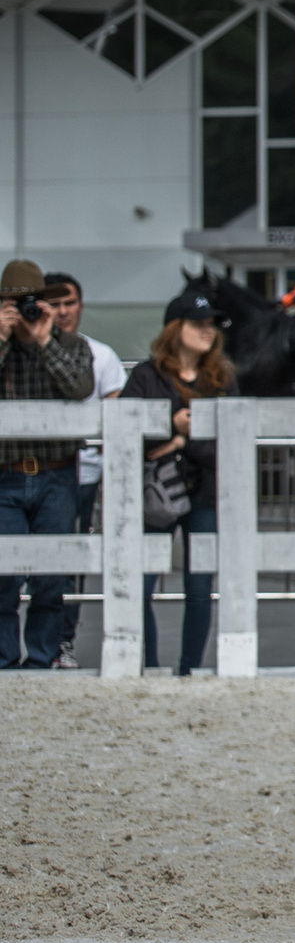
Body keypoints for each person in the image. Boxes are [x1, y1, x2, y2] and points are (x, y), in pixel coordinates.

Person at [125, 291, 231, 676]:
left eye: (211, 324)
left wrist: (181, 440)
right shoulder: (145, 376)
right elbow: (126, 433)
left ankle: (190, 669)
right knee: (140, 583)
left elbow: (229, 441)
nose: (208, 331)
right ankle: (148, 666)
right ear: (176, 328)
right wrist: (172, 427)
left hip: (203, 492)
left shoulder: (221, 378)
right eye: (198, 323)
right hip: (156, 492)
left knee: (200, 587)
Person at [0, 260, 94, 669]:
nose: (26, 312)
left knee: (52, 576)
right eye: (16, 304)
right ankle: (3, 661)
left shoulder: (72, 345)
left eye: (31, 303)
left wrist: (44, 341)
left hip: (57, 473)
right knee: (2, 577)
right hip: (5, 474)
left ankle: (41, 661)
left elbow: (79, 388)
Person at [45, 271, 126, 668]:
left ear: (80, 305)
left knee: (70, 564)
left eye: (69, 303)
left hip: (85, 475)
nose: (62, 312)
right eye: (54, 304)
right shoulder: (26, 348)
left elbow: (118, 415)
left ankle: (63, 642)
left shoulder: (101, 355)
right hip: (37, 467)